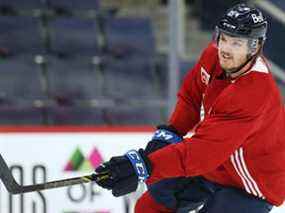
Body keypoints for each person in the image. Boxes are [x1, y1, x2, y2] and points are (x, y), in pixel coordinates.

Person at [94, 3, 285, 213]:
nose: (226, 49)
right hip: (214, 167)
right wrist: (169, 133)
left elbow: (201, 153)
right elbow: (191, 98)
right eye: (224, 39)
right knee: (150, 206)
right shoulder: (213, 56)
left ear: (255, 47)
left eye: (236, 43)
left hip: (252, 184)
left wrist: (143, 166)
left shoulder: (253, 92)